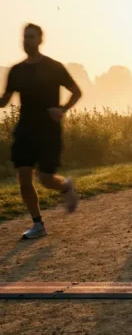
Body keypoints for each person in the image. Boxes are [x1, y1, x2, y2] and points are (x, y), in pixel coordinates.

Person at [0, 24, 81, 239]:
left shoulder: (54, 67)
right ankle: (38, 224)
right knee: (24, 179)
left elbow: (76, 92)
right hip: (25, 130)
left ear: (40, 40)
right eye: (24, 37)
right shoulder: (16, 71)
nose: (27, 41)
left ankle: (65, 186)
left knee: (45, 179)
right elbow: (4, 100)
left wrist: (62, 109)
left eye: (31, 37)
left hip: (48, 131)